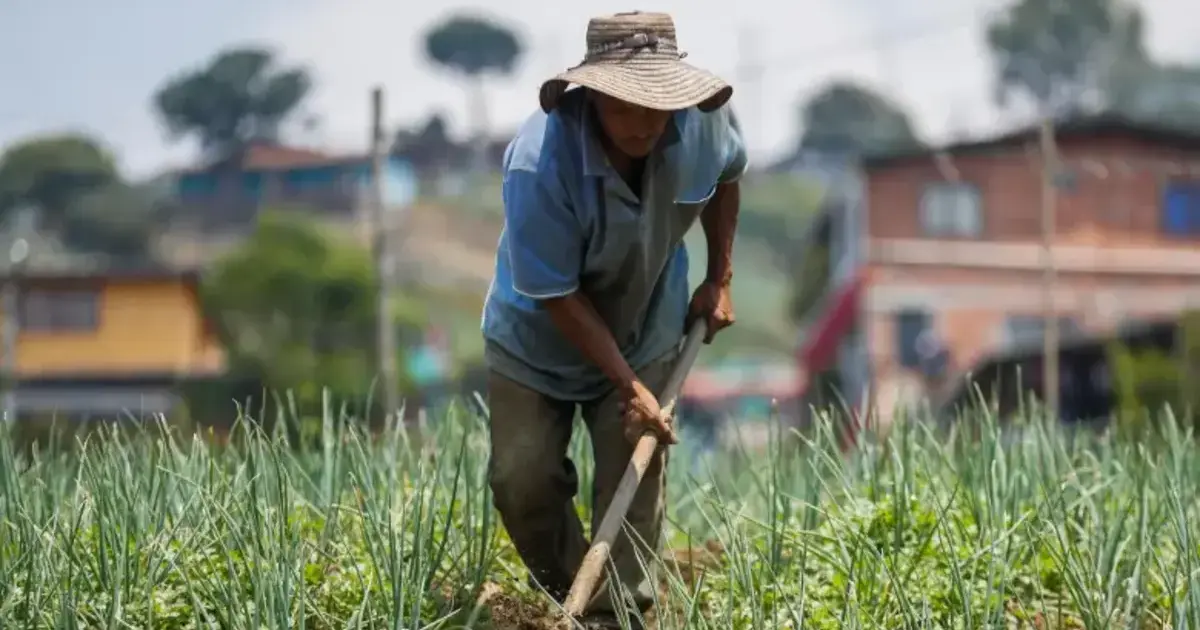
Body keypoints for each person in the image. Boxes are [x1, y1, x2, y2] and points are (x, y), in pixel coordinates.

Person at [479, 10, 746, 628]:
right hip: (536, 343)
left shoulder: (703, 126)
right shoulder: (538, 164)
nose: (644, 125)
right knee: (523, 482)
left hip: (647, 322)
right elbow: (556, 295)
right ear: (591, 94)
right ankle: (572, 599)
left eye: (657, 106)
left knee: (634, 480)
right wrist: (631, 388)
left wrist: (719, 277)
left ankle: (616, 615)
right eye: (625, 106)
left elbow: (729, 177)